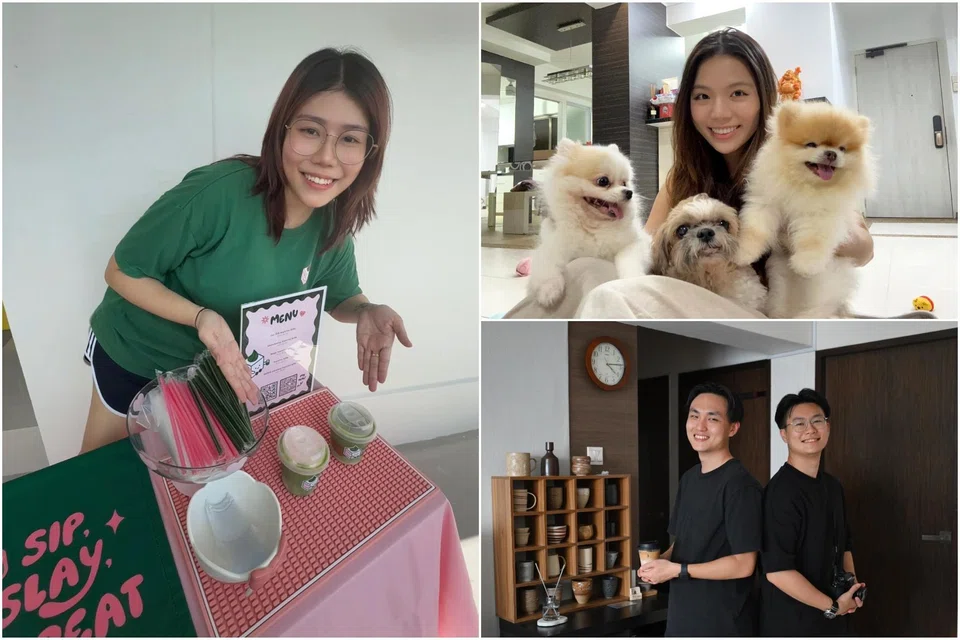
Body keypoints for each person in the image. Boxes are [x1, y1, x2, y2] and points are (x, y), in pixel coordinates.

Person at [80, 48, 412, 454]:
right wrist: (201, 317)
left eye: (350, 139)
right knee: (99, 469)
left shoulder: (332, 222)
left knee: (188, 473)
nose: (326, 158)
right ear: (282, 130)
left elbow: (341, 296)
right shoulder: (218, 194)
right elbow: (121, 271)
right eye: (310, 131)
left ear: (370, 152)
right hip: (135, 355)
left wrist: (366, 311)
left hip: (216, 373)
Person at [504, 28, 874, 319]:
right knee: (587, 271)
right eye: (702, 96)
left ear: (763, 97)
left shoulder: (791, 165)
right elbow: (650, 249)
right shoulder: (684, 174)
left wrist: (784, 226)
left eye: (738, 93)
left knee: (609, 294)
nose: (719, 112)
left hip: (764, 313)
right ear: (686, 104)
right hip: (695, 299)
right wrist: (576, 238)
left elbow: (863, 248)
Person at [638, 382, 763, 636]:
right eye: (694, 416)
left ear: (733, 428)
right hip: (682, 618)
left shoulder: (741, 485)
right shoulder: (689, 478)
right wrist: (661, 562)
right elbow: (683, 543)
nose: (700, 426)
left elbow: (744, 564)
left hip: (720, 624)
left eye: (712, 418)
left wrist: (678, 570)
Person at [761, 389, 864, 636]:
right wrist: (832, 607)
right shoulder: (780, 492)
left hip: (833, 619)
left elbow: (844, 545)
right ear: (784, 434)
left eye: (817, 421)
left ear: (828, 427)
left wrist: (851, 591)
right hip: (792, 623)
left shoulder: (833, 486)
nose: (810, 430)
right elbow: (778, 571)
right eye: (799, 424)